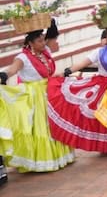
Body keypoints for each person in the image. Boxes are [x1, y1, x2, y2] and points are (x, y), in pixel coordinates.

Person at [0, 30, 75, 172]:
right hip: (35, 96)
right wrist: (5, 74)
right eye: (39, 41)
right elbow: (13, 69)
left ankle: (59, 156)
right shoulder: (23, 57)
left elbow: (52, 42)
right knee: (40, 127)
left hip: (49, 92)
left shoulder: (45, 52)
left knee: (54, 124)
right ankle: (39, 161)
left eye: (43, 40)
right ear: (30, 43)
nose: (43, 43)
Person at [51, 26, 107, 154]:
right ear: (105, 38)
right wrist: (66, 72)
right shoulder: (99, 52)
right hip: (105, 85)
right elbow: (83, 63)